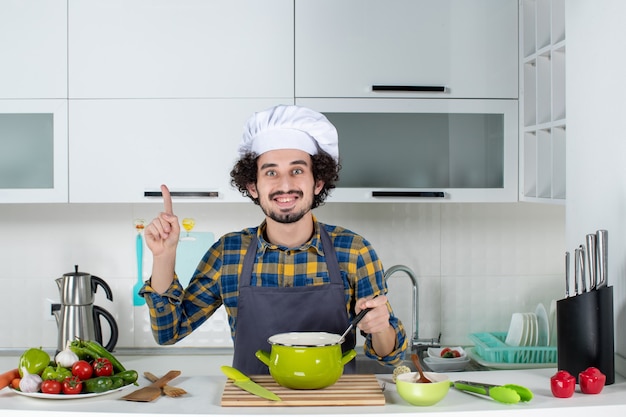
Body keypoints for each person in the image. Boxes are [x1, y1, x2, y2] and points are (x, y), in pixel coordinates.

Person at [140, 104, 407, 374]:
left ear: (318, 183)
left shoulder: (354, 251)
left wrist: (381, 326)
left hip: (331, 403)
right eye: (270, 172)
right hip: (254, 403)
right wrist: (163, 257)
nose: (284, 184)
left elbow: (391, 358)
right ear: (253, 186)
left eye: (297, 170)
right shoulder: (228, 253)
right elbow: (168, 332)